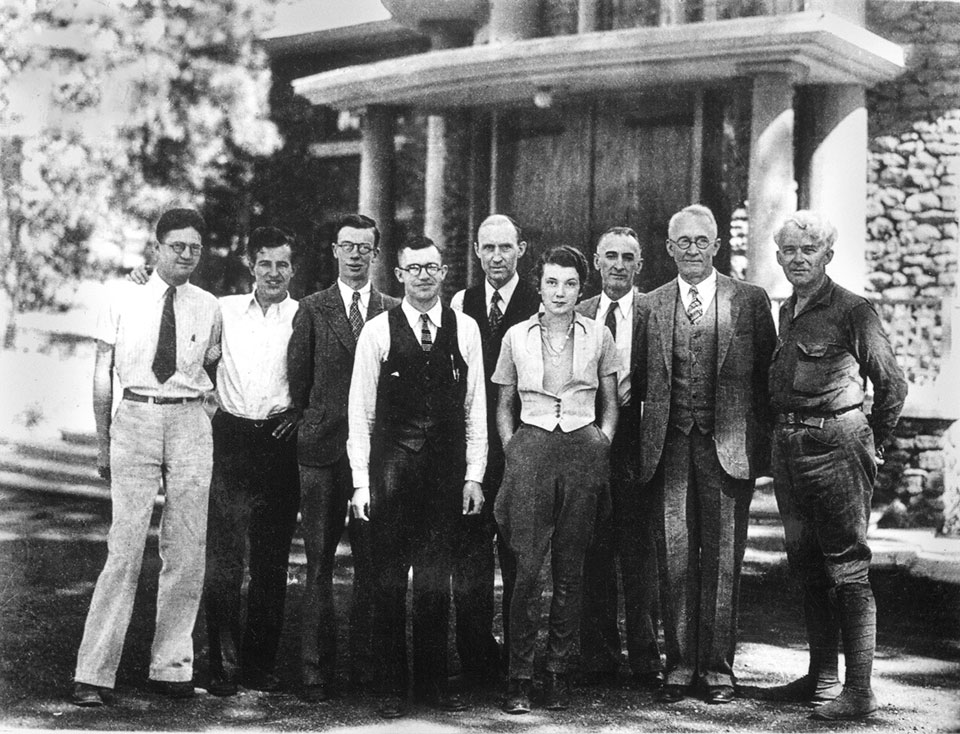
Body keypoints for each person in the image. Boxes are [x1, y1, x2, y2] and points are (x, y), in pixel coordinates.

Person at [72, 208, 222, 707]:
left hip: (189, 422)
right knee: (125, 548)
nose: (186, 255)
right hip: (134, 415)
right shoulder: (122, 295)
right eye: (177, 245)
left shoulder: (208, 305)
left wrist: (203, 413)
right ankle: (93, 672)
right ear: (155, 248)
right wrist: (101, 441)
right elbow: (102, 372)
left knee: (186, 548)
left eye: (195, 247)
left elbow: (215, 371)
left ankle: (171, 667)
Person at [633, 204, 776, 705]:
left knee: (721, 561)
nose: (692, 249)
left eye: (701, 241)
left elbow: (767, 384)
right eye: (682, 242)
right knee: (673, 558)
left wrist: (756, 449)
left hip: (726, 450)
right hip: (668, 448)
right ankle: (678, 665)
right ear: (669, 249)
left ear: (716, 246)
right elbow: (637, 382)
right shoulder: (650, 304)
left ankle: (717, 669)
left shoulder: (751, 301)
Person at [766, 210, 907, 721]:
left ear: (828, 255)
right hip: (790, 449)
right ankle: (823, 676)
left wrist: (875, 445)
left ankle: (860, 689)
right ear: (778, 256)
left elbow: (891, 384)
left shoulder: (854, 310)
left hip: (837, 448)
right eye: (789, 251)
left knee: (847, 566)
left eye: (809, 250)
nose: (798, 258)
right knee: (806, 564)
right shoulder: (787, 310)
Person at [347, 235, 487, 719]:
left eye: (432, 267)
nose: (424, 276)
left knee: (435, 579)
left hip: (446, 475)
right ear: (399, 275)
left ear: (444, 272)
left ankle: (430, 685)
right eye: (414, 268)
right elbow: (360, 413)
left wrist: (474, 476)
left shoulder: (465, 329)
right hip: (392, 472)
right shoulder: (378, 332)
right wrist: (361, 484)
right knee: (388, 578)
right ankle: (389, 684)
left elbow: (476, 411)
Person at [493, 245, 619, 714]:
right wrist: (515, 450)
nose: (560, 292)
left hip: (583, 447)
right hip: (531, 446)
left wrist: (602, 441)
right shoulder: (516, 336)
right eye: (551, 282)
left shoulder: (598, 334)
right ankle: (519, 676)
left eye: (569, 283)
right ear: (538, 286)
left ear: (580, 287)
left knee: (571, 569)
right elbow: (503, 404)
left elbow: (611, 400)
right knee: (527, 570)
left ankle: (556, 671)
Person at [287, 213, 399, 702]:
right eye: (347, 246)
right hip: (323, 455)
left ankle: (365, 669)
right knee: (317, 564)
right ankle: (314, 669)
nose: (356, 254)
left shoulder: (394, 309)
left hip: (376, 459)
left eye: (365, 248)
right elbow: (298, 383)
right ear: (334, 251)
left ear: (377, 255)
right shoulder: (312, 309)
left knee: (373, 566)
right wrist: (315, 425)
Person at [202, 227, 301, 697]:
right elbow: (191, 345)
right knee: (223, 558)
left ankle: (260, 664)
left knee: (271, 559)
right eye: (265, 263)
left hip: (280, 442)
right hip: (232, 438)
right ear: (251, 265)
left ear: (293, 269)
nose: (274, 273)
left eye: (282, 264)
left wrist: (299, 412)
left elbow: (319, 375)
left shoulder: (304, 317)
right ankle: (222, 662)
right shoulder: (222, 311)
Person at [449, 214, 540, 684]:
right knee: (469, 558)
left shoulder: (539, 300)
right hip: (472, 451)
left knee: (519, 557)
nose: (497, 257)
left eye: (505, 247)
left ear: (521, 249)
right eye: (488, 248)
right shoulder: (461, 303)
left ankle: (519, 663)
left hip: (522, 445)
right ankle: (475, 658)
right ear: (478, 252)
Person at [577, 227, 663, 689]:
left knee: (639, 552)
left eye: (627, 257)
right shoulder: (581, 311)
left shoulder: (656, 311)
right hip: (591, 438)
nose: (617, 264)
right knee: (594, 547)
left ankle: (647, 658)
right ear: (595, 261)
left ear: (640, 264)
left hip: (641, 440)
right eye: (609, 255)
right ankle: (599, 657)